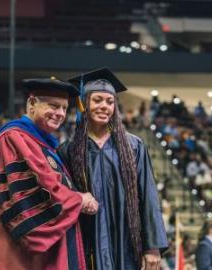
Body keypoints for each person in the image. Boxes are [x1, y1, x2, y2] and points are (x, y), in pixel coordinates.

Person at [0, 78, 99, 270]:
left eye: (64, 108)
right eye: (54, 106)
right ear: (31, 104)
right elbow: (36, 193)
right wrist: (79, 200)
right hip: (18, 257)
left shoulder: (41, 142)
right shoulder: (13, 140)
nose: (60, 114)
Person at [59, 68, 168, 270]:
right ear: (84, 104)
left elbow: (148, 196)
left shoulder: (133, 146)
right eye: (97, 100)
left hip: (127, 241)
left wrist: (152, 247)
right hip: (87, 239)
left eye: (110, 102)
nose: (104, 106)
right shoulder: (70, 150)